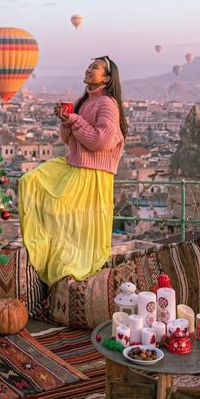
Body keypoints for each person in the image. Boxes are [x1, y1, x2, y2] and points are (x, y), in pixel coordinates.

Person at [18, 56, 128, 286]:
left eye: (95, 68)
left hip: (92, 173)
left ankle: (69, 266)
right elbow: (71, 140)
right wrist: (66, 121)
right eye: (89, 66)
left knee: (75, 224)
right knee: (32, 181)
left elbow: (102, 140)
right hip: (78, 164)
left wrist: (75, 120)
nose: (88, 69)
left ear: (107, 78)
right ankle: (52, 254)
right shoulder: (85, 101)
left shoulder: (107, 103)